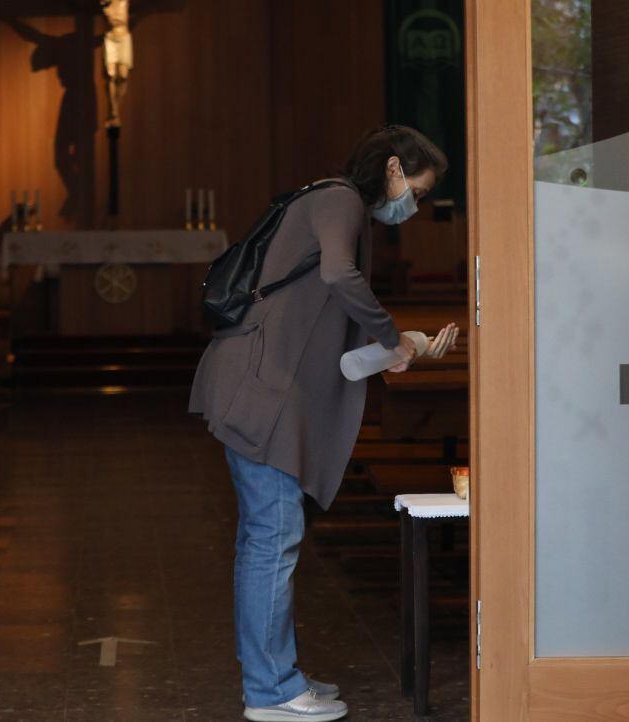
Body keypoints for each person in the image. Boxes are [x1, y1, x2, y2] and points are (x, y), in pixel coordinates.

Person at [189, 125, 457, 722]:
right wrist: (395, 338)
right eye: (416, 188)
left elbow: (321, 305)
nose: (413, 205)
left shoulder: (326, 198)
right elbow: (338, 276)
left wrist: (394, 344)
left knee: (265, 538)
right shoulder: (339, 199)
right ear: (392, 169)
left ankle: (276, 673)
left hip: (259, 384)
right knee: (272, 539)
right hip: (263, 392)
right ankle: (271, 691)